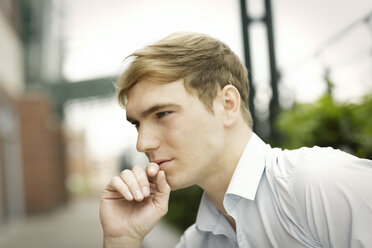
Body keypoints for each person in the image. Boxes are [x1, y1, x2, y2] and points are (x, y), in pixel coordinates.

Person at [99, 32, 372, 248]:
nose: (142, 143)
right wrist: (122, 240)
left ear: (227, 104)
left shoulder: (317, 182)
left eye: (162, 114)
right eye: (137, 124)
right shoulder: (197, 242)